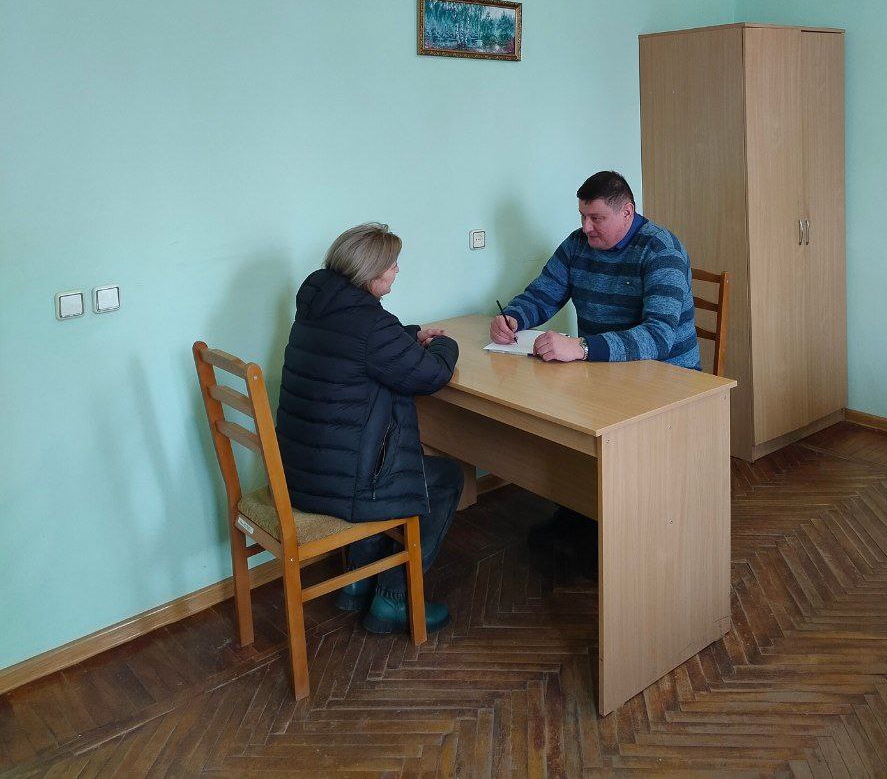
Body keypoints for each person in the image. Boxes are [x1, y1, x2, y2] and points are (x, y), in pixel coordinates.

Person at [490, 170, 701, 558]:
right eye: (583, 217)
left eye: (597, 218)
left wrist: (582, 347)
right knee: (560, 416)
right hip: (602, 372)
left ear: (627, 213)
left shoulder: (661, 252)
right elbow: (543, 294)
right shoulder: (577, 245)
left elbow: (658, 337)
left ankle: (624, 533)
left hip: (669, 382)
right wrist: (514, 318)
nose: (586, 228)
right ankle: (580, 512)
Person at [276, 222, 463, 635]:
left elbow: (362, 347)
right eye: (392, 264)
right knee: (444, 477)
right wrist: (446, 344)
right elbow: (431, 375)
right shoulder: (370, 324)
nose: (397, 271)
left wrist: (409, 335)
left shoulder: (320, 303)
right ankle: (393, 598)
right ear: (371, 273)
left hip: (302, 472)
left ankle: (357, 582)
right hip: (343, 485)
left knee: (374, 455)